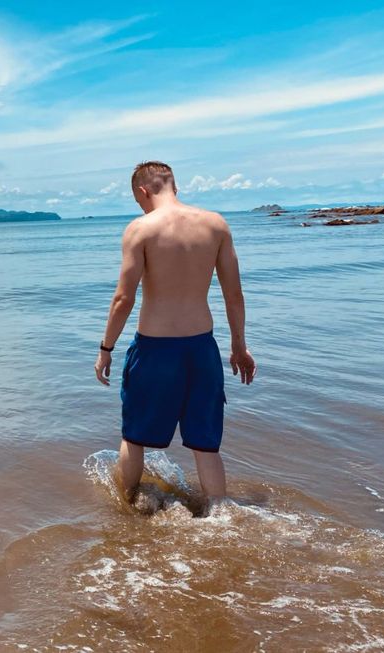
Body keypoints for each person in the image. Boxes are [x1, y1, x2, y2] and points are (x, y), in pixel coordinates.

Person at [94, 161, 256, 509]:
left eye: (138, 199)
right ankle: (220, 512)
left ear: (143, 191)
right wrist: (239, 347)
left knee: (133, 437)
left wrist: (106, 347)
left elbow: (124, 298)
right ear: (174, 187)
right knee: (205, 444)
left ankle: (126, 508)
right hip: (202, 349)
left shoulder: (141, 230)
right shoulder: (216, 225)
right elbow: (234, 295)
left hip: (155, 350)